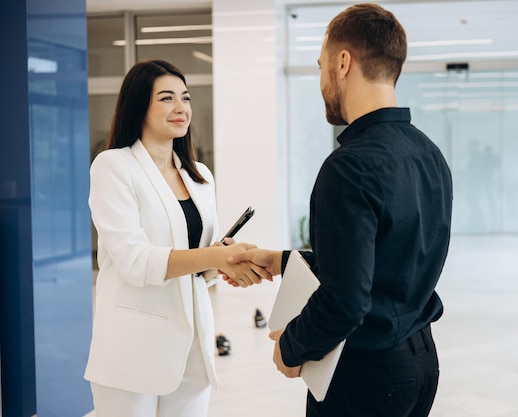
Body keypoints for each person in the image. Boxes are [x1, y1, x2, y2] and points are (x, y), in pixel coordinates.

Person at [228, 4, 453, 416]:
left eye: (320, 66)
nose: (320, 80)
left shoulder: (349, 167)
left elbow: (347, 300)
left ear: (343, 62)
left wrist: (291, 348)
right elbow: (383, 265)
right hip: (419, 363)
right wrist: (278, 260)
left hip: (366, 376)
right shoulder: (428, 153)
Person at [84, 59, 270, 417]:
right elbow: (135, 261)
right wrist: (213, 258)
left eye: (185, 98)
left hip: (193, 348)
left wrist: (226, 260)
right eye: (166, 98)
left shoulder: (200, 176)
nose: (181, 108)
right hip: (132, 350)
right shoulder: (113, 166)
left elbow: (201, 270)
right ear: (139, 106)